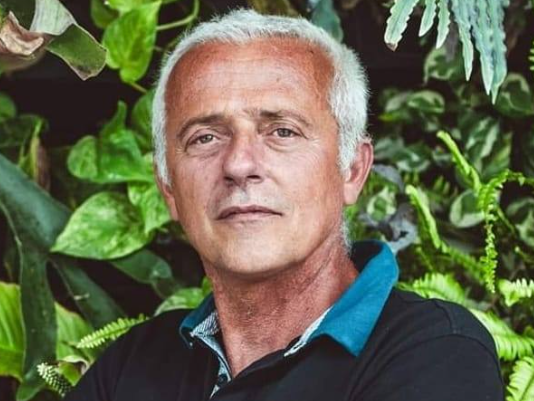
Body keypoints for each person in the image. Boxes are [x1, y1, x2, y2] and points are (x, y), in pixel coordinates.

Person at [65, 9, 504, 401]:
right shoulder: (132, 365)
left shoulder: (435, 353)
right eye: (205, 137)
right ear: (168, 188)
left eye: (282, 131)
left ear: (352, 170)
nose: (239, 164)